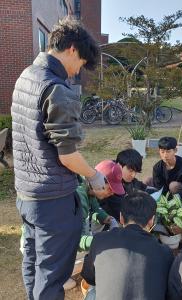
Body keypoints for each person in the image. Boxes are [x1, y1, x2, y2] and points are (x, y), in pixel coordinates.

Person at [11, 17, 106, 300]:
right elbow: (67, 156)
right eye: (81, 64)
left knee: (32, 260)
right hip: (53, 201)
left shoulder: (25, 76)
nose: (78, 72)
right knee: (52, 275)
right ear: (73, 49)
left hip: (27, 194)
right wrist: (94, 175)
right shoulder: (56, 89)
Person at [81, 191, 174, 300]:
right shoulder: (165, 252)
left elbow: (88, 276)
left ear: (121, 217)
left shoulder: (101, 240)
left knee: (92, 291)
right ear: (151, 221)